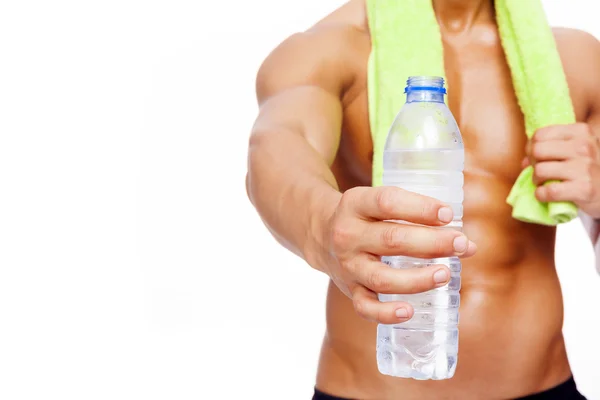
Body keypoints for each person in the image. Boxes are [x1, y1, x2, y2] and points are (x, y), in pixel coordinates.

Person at [245, 0, 600, 398]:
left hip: (545, 388)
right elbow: (277, 147)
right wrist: (319, 222)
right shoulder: (333, 47)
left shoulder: (576, 62)